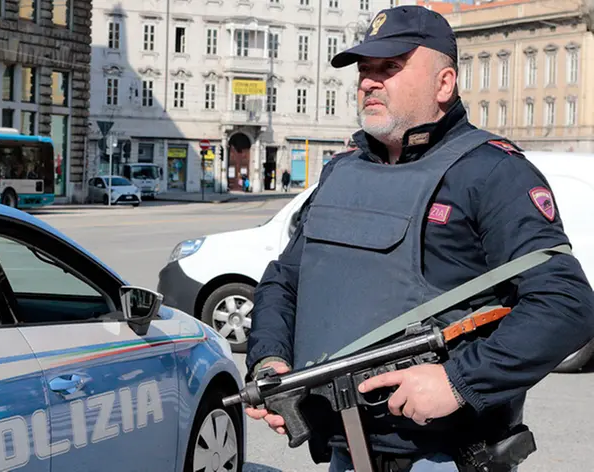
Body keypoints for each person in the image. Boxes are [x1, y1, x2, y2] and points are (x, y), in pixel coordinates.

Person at [244, 5, 594, 472]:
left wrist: (457, 382)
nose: (370, 81)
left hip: (442, 457)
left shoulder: (492, 172)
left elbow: (566, 305)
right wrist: (270, 360)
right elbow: (284, 282)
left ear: (444, 83)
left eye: (390, 67)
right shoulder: (342, 171)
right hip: (346, 452)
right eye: (365, 70)